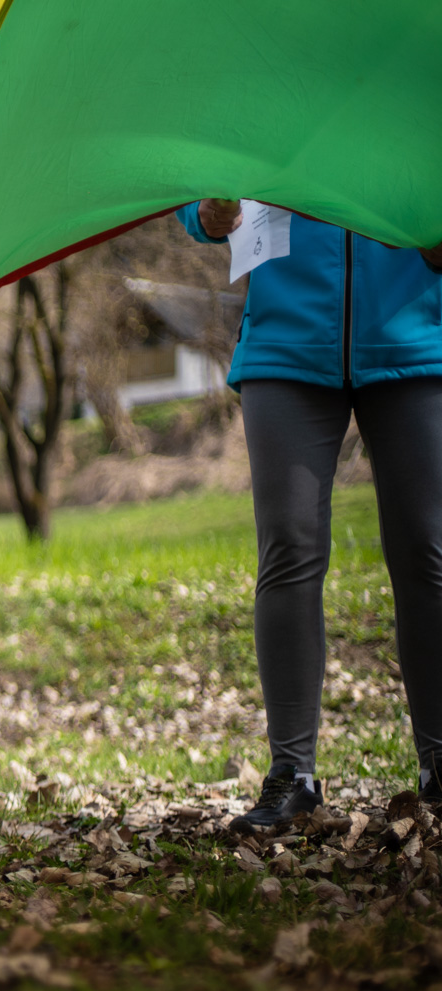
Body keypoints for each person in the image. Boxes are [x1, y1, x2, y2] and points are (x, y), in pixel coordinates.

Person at [179, 200, 442, 831]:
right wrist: (204, 214)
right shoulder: (262, 94)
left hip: (413, 332)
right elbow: (202, 183)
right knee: (289, 550)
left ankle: (440, 764)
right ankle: (291, 774)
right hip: (286, 341)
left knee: (427, 549)